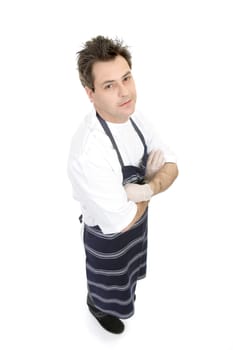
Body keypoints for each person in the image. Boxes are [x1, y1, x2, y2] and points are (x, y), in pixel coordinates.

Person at [68, 35, 178, 334]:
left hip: (136, 227)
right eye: (109, 85)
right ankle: (97, 306)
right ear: (90, 93)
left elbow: (173, 166)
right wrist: (154, 182)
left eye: (126, 78)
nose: (124, 92)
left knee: (129, 276)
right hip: (108, 237)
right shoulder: (88, 152)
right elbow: (121, 221)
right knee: (109, 286)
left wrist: (145, 189)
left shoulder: (134, 117)